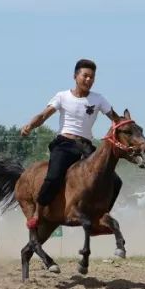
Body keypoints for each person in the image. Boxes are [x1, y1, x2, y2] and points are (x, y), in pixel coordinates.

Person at [19, 59, 124, 229]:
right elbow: (44, 115)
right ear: (75, 76)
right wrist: (30, 126)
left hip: (87, 148)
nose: (88, 80)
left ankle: (102, 216)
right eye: (85, 76)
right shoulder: (62, 96)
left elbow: (116, 119)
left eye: (92, 77)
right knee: (53, 177)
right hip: (65, 144)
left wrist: (128, 127)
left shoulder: (99, 99)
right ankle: (39, 212)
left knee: (115, 181)